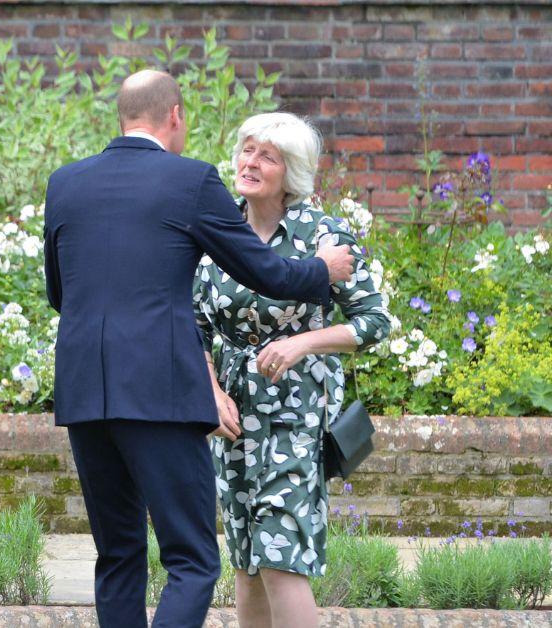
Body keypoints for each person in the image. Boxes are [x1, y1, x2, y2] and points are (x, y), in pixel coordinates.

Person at [42, 69, 355, 628]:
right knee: (191, 560)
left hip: (85, 391)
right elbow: (265, 271)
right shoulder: (190, 181)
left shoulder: (65, 183)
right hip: (160, 394)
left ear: (122, 116)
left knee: (117, 557)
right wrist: (322, 270)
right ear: (176, 117)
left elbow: (58, 294)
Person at [195, 112, 391, 628]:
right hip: (232, 413)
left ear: (292, 172)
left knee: (282, 551)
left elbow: (375, 321)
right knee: (247, 558)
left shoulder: (321, 233)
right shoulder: (218, 230)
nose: (250, 162)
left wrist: (303, 342)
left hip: (295, 411)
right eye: (246, 150)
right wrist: (209, 390)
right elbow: (191, 326)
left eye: (268, 156)